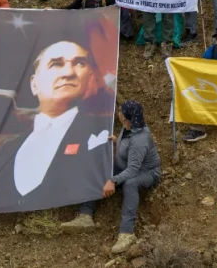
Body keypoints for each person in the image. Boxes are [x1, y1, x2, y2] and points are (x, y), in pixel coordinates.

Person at [0, 40, 114, 212]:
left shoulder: (97, 133)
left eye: (79, 63)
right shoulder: (9, 148)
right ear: (34, 83)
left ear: (89, 77)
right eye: (56, 64)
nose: (68, 73)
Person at [59, 101, 160, 255]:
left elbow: (133, 169)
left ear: (125, 117)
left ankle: (127, 234)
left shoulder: (140, 139)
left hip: (146, 172)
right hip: (125, 166)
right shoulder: (129, 128)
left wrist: (113, 180)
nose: (118, 112)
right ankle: (85, 215)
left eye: (120, 111)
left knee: (130, 184)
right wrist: (115, 140)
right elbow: (127, 145)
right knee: (100, 170)